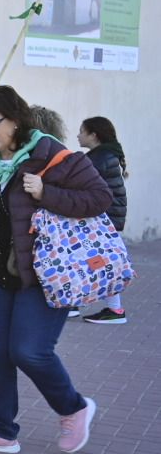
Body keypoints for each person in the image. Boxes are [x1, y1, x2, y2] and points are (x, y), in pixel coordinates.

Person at [0, 86, 110, 454]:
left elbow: (100, 199)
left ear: (15, 120)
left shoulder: (55, 156)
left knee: (30, 351)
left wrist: (46, 192)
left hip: (44, 274)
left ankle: (74, 407)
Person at [79, 116, 129, 324]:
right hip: (107, 218)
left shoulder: (100, 157)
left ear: (93, 135)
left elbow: (78, 179)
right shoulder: (105, 155)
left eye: (82, 131)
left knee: (98, 262)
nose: (78, 135)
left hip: (104, 219)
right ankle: (112, 309)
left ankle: (114, 310)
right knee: (97, 261)